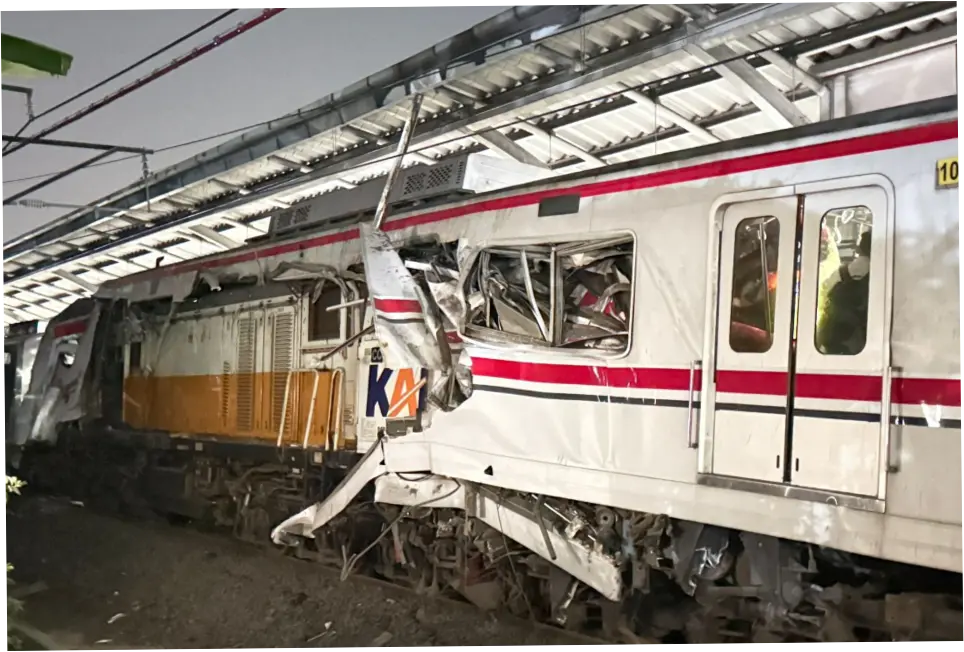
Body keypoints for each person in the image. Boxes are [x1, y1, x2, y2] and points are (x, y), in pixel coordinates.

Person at [816, 230, 871, 355]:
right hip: (862, 337)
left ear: (859, 249)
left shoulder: (842, 272)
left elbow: (824, 291)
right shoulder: (882, 275)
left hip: (837, 334)